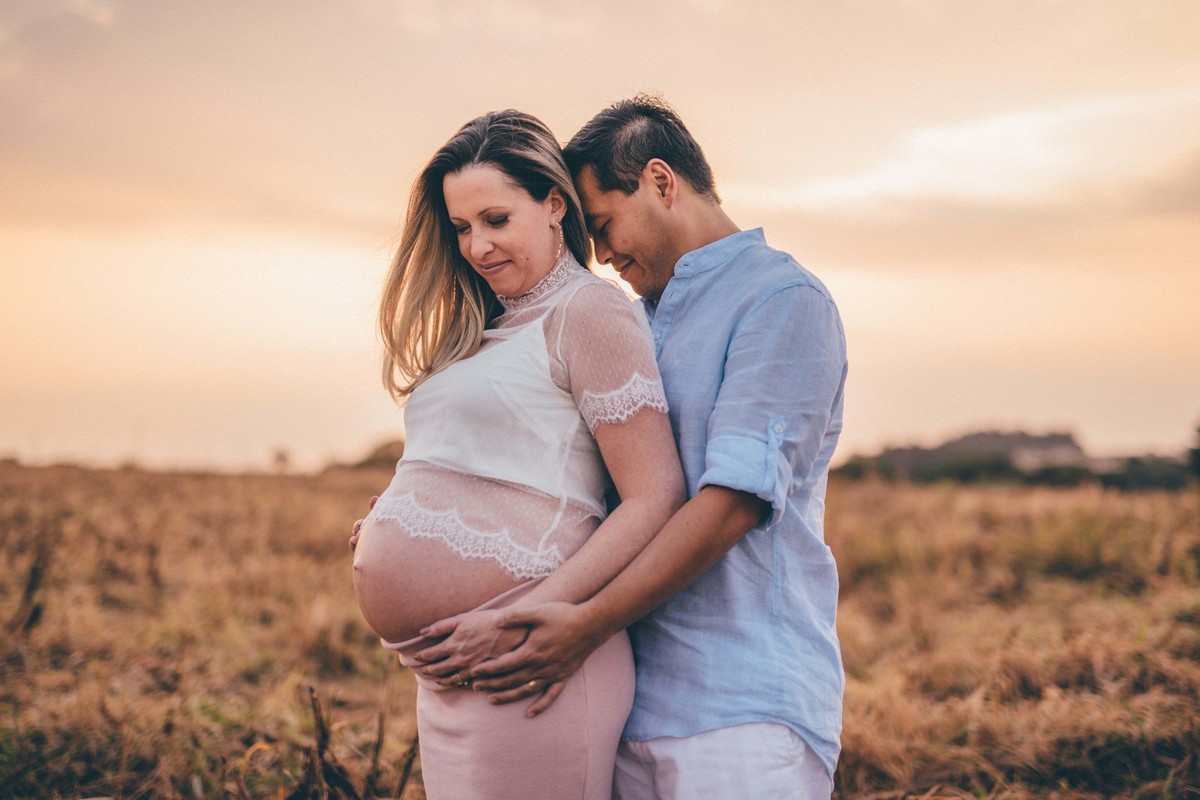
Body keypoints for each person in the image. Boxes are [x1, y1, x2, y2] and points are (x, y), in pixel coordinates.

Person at [413, 96, 848, 799]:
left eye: (605, 225)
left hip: (738, 710)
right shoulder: (630, 321)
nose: (603, 253)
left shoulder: (781, 301)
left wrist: (585, 624)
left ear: (661, 181)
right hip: (624, 704)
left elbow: (732, 504)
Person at [349, 109, 685, 800]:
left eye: (496, 220)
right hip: (457, 675)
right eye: (462, 227)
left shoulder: (589, 313)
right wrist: (401, 513)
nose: (476, 246)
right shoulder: (489, 328)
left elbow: (656, 493)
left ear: (554, 203)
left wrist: (524, 620)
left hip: (529, 663)